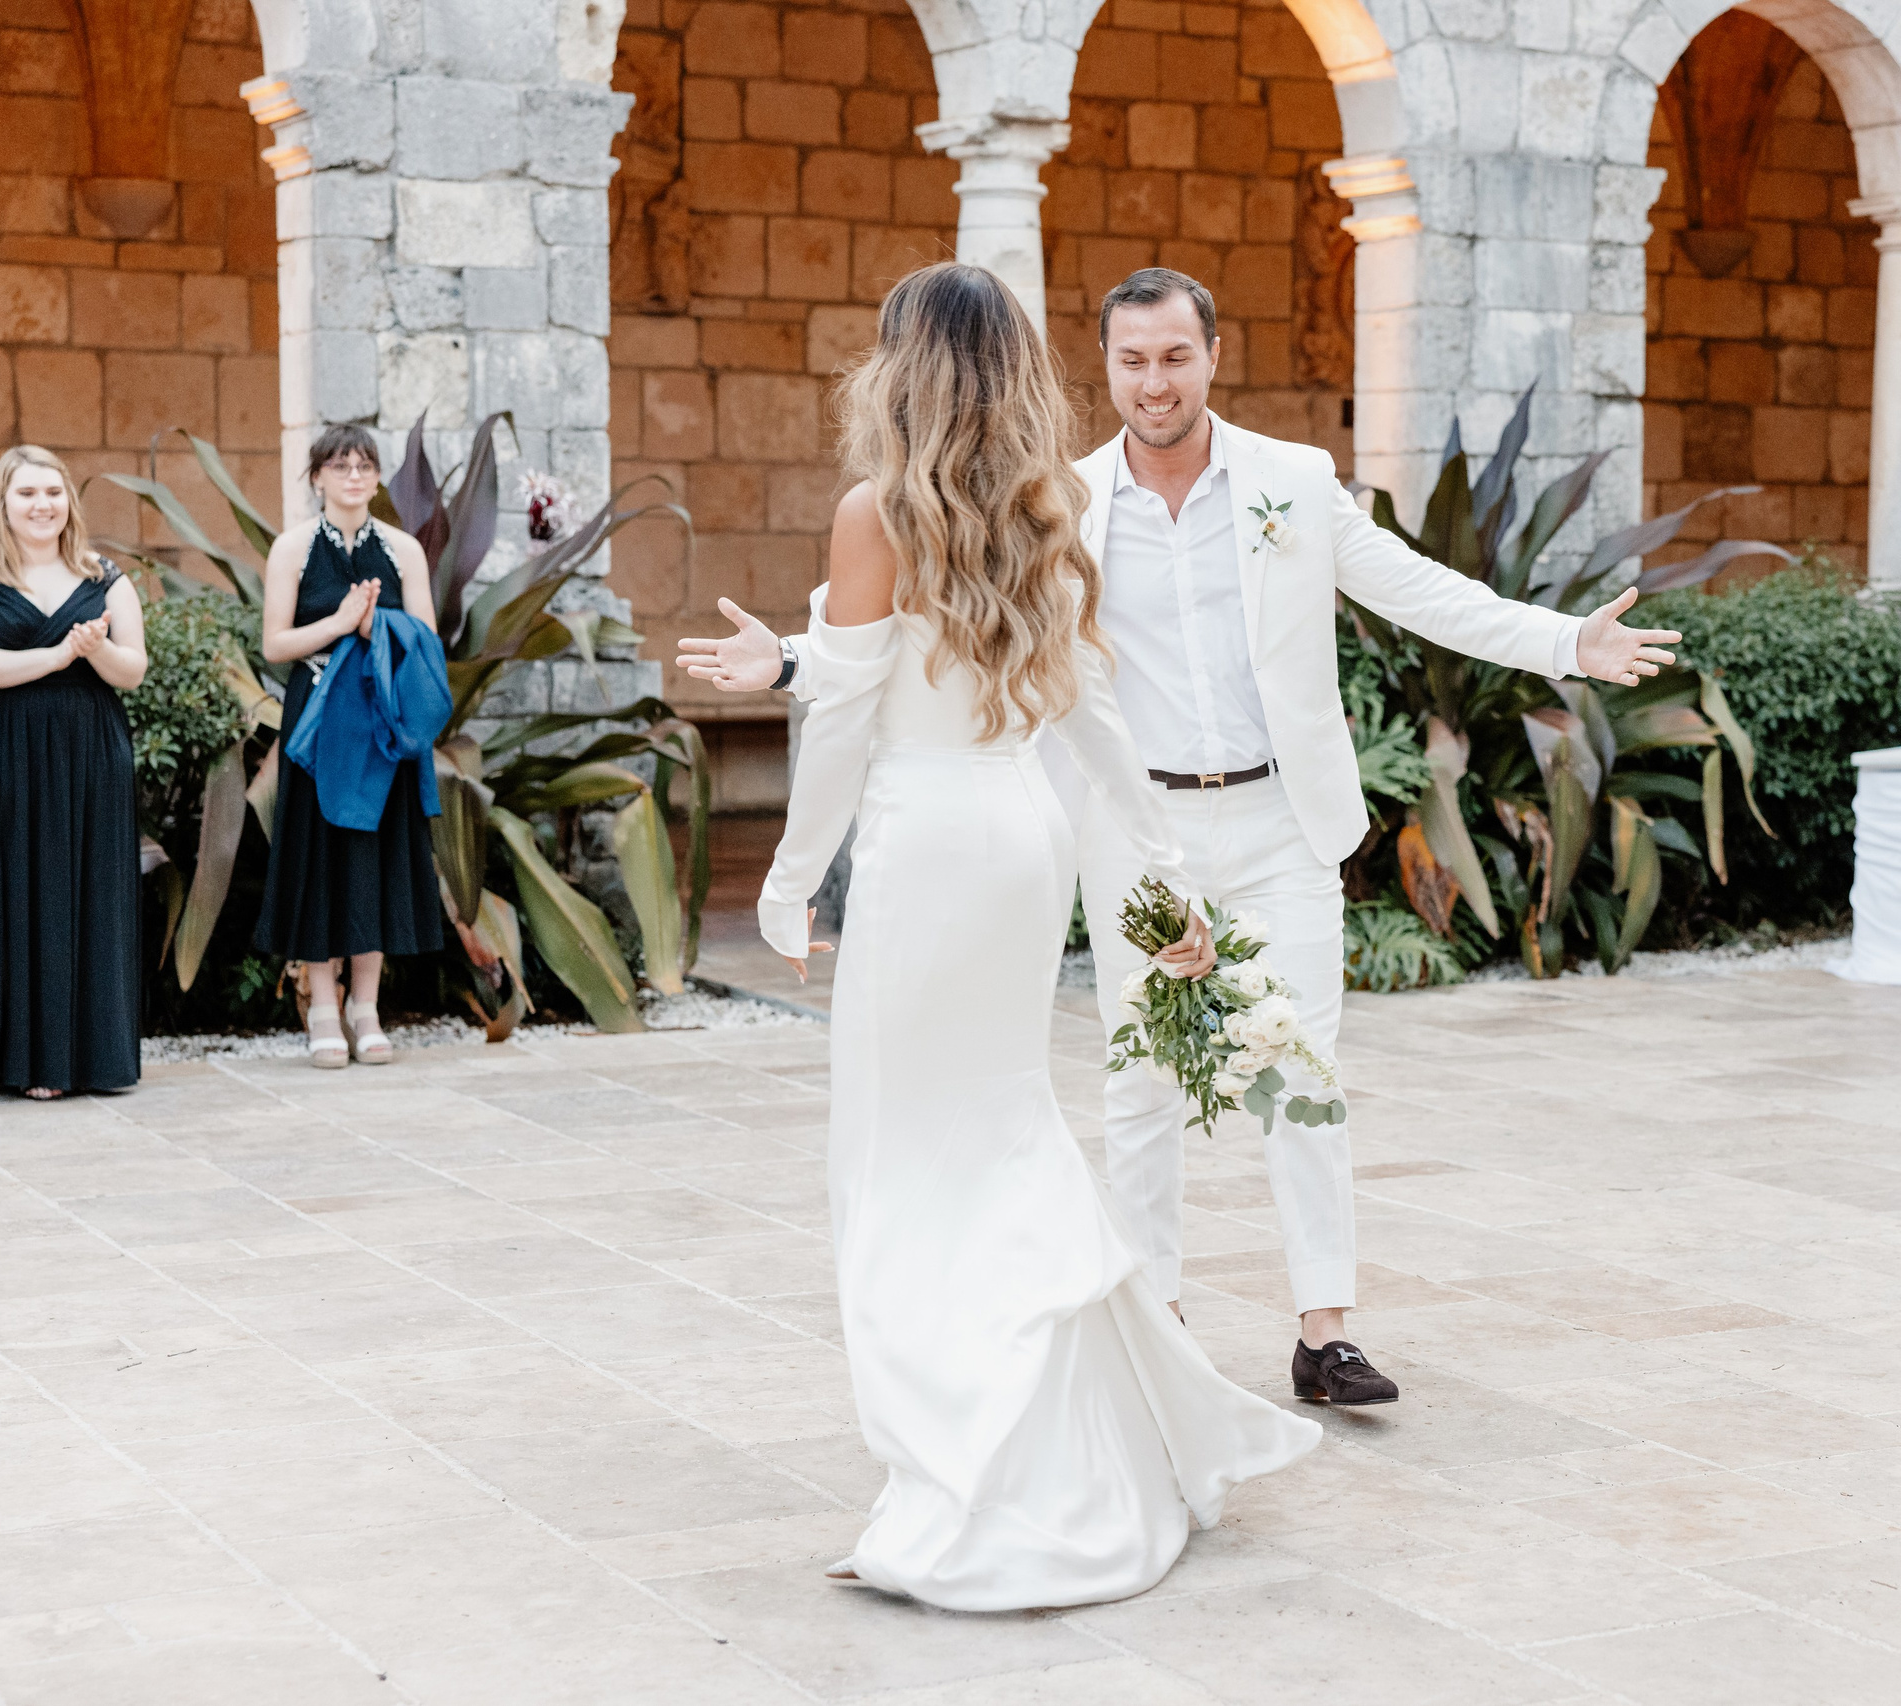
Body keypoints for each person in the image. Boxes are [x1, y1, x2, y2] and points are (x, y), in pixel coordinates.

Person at [684, 266, 1681, 1405]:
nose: (1153, 383)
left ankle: (1325, 1331)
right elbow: (949, 637)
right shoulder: (1057, 499)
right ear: (1103, 368)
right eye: (1131, 361)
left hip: (1278, 816)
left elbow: (1416, 589)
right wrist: (795, 663)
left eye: (1173, 357)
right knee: (1138, 1076)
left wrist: (1564, 644)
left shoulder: (1291, 483)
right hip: (1130, 821)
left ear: (1212, 355)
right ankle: (1157, 1325)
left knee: (1300, 1066)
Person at [752, 263, 1319, 1609]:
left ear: (901, 367)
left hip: (927, 851)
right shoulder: (1049, 505)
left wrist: (789, 879)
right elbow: (1094, 713)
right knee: (1007, 1126)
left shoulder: (876, 513)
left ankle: (968, 1454)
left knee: (898, 1152)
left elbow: (843, 721)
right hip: (1023, 845)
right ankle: (1077, 1436)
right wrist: (1164, 874)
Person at [253, 425, 445, 1068]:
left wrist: (376, 627)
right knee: (318, 855)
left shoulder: (403, 549)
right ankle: (322, 1006)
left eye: (364, 466)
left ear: (378, 477)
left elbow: (426, 642)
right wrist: (338, 624)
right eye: (340, 466)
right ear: (317, 478)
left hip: (382, 722)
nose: (354, 477)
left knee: (375, 857)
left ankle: (367, 1007)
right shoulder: (292, 549)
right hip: (316, 722)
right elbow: (274, 644)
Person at [0, 446, 146, 1099]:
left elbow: (132, 670)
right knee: (6, 891)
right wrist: (54, 658)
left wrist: (96, 649)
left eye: (53, 492)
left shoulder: (105, 577)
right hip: (3, 749)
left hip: (89, 754)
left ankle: (77, 1060)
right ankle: (12, 1058)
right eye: (27, 493)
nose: (42, 504)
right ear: (3, 503)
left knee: (83, 892)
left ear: (69, 502)